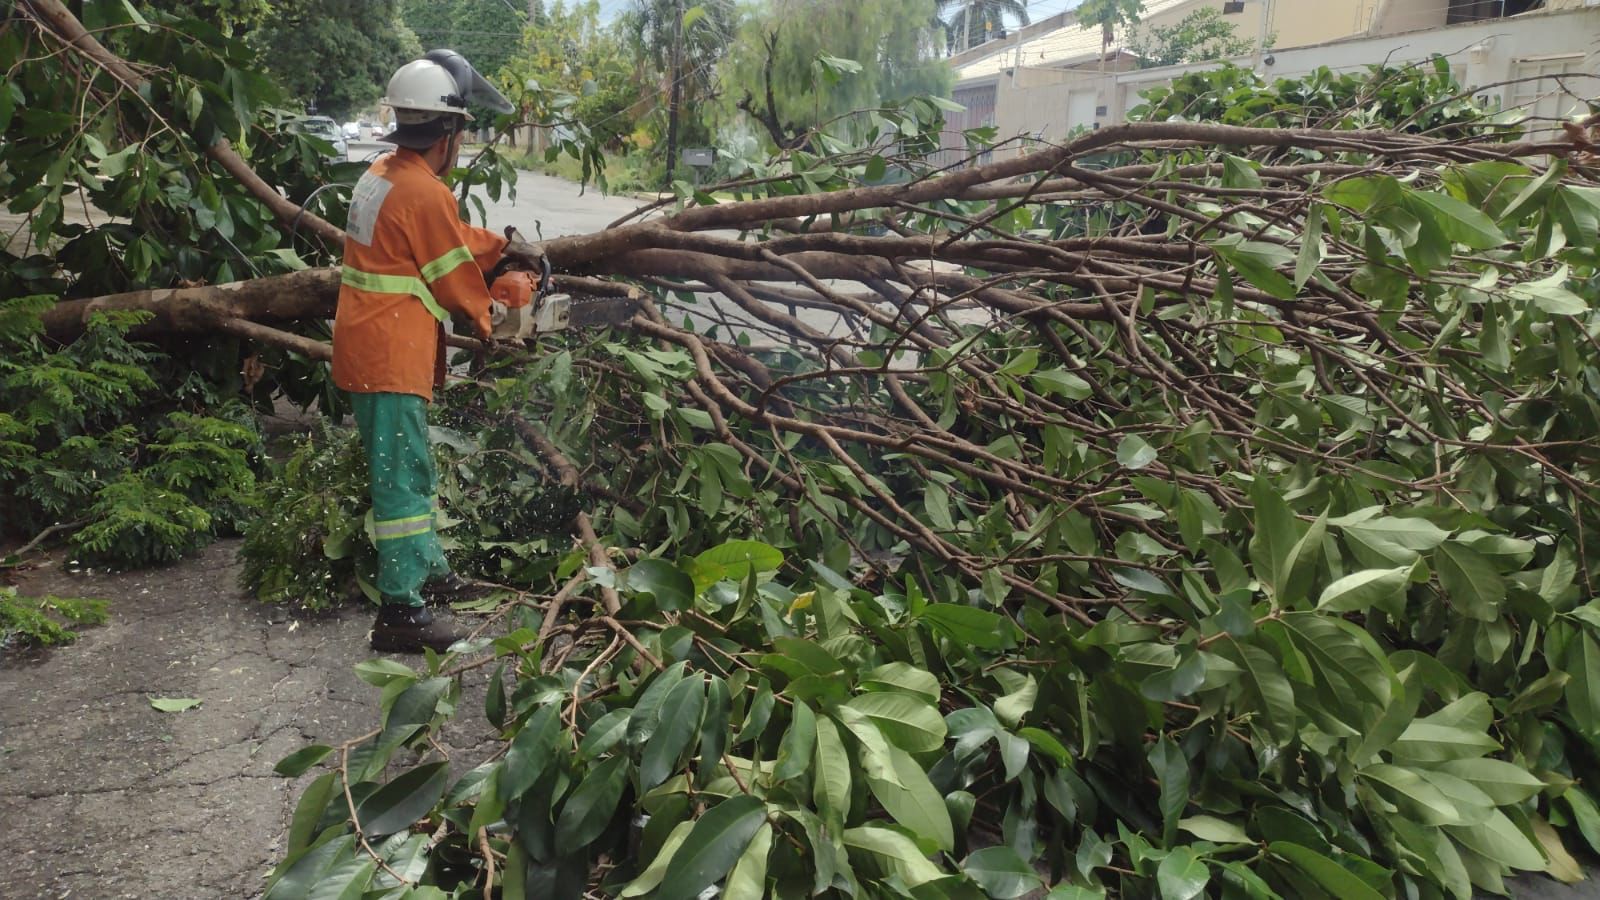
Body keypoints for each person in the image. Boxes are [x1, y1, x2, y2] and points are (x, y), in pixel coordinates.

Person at [332, 50, 515, 653]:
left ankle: (430, 574)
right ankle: (401, 613)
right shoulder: (425, 194)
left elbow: (450, 238)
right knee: (401, 481)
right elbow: (454, 279)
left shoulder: (383, 174)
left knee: (411, 467)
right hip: (390, 353)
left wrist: (505, 247)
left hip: (370, 342)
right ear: (449, 131)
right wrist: (497, 322)